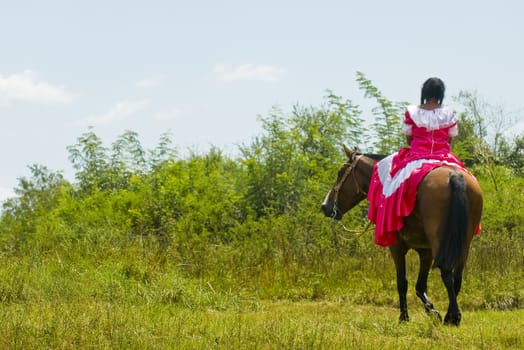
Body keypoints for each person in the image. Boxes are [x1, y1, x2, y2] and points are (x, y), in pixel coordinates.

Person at [367, 77, 478, 246]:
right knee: (470, 179)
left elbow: (409, 138)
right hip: (444, 156)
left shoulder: (412, 112)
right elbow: (450, 139)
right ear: (440, 94)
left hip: (417, 156)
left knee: (387, 174)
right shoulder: (448, 113)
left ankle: (392, 223)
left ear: (424, 93)